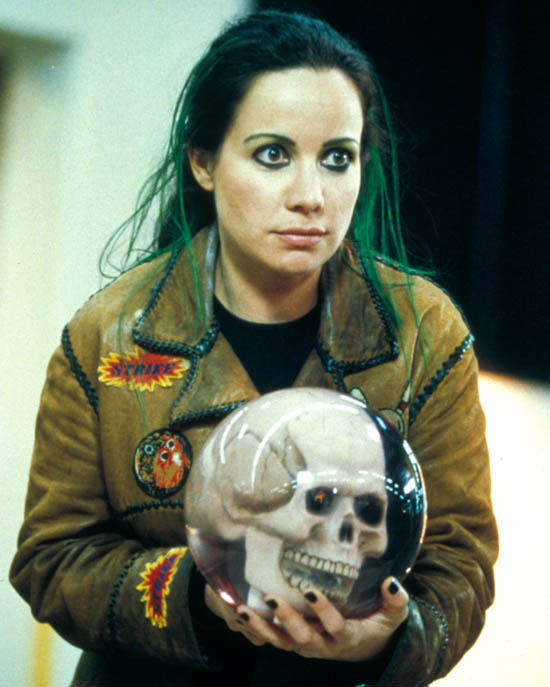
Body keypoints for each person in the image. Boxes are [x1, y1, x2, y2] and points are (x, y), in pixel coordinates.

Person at [10, 9, 498, 687]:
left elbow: (461, 563)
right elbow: (52, 559)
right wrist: (199, 595)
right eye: (273, 154)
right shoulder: (108, 334)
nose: (310, 196)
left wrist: (386, 639)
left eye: (337, 158)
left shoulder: (423, 334)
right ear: (204, 162)